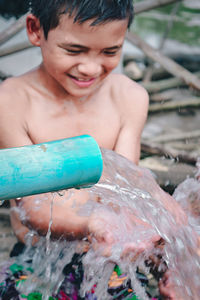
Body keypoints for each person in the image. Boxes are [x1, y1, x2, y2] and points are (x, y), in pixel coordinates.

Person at [0, 1, 188, 299]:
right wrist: (92, 223)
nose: (90, 67)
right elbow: (31, 206)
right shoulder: (11, 101)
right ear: (35, 30)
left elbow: (130, 188)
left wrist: (174, 264)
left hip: (111, 255)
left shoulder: (128, 98)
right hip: (39, 259)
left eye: (110, 52)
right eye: (73, 51)